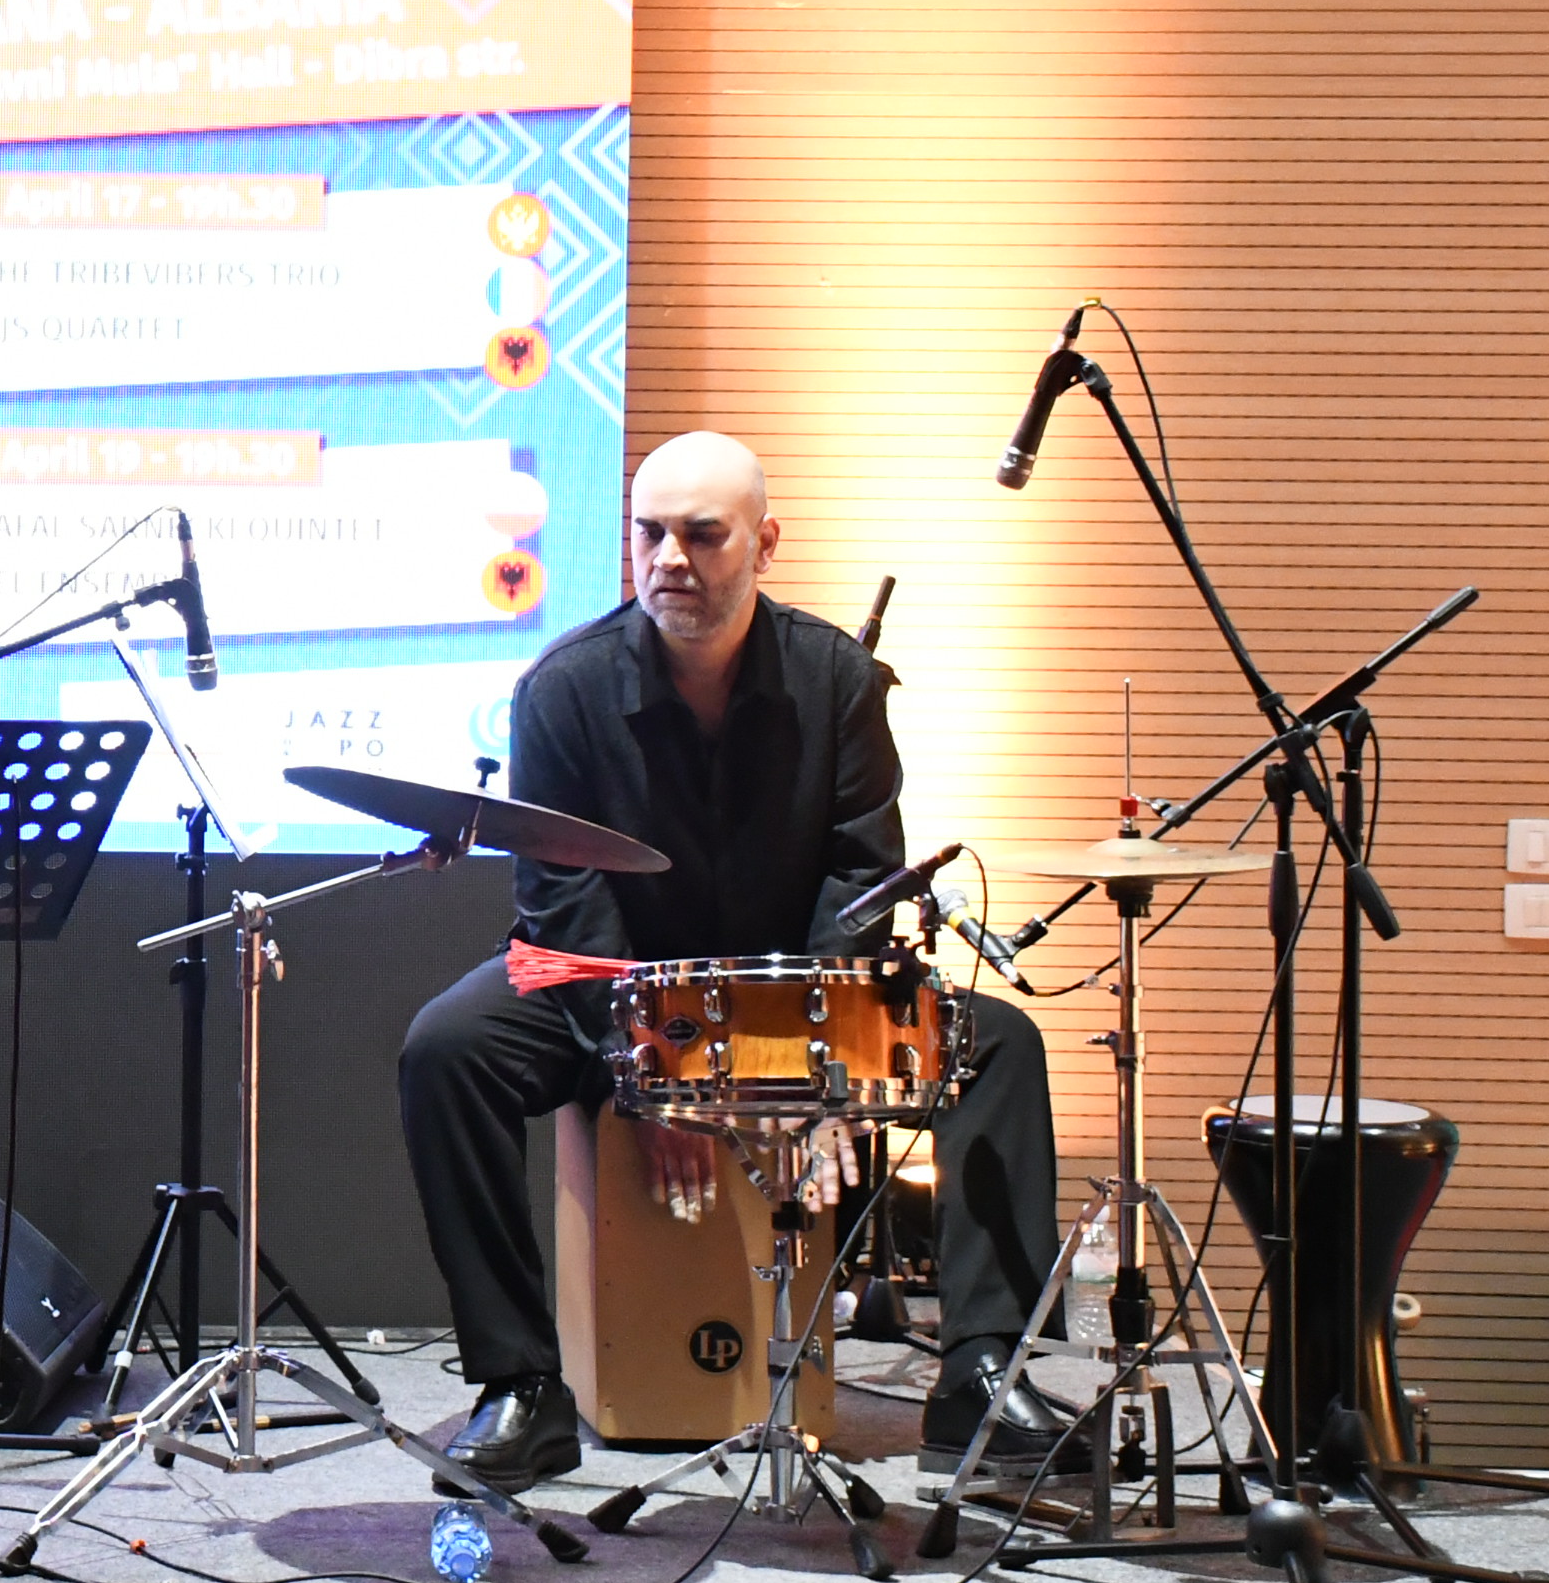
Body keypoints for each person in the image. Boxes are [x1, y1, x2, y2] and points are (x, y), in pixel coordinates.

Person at [397, 430, 1084, 1489]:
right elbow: (565, 908)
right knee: (447, 1048)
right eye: (650, 534)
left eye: (702, 534)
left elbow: (860, 881)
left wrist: (812, 1060)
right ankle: (521, 1384)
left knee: (999, 1044)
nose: (669, 558)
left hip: (787, 994)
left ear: (764, 544)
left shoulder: (839, 680)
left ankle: (980, 1374)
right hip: (617, 995)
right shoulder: (562, 690)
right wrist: (656, 1076)